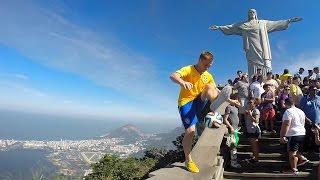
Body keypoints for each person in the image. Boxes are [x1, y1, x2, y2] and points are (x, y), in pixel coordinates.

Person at [170, 51, 236, 173]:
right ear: (200, 61)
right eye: (206, 65)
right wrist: (182, 82)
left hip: (201, 100)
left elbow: (216, 89)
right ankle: (188, 160)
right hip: (186, 103)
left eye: (210, 65)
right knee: (191, 131)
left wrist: (230, 100)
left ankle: (214, 104)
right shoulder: (189, 69)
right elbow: (173, 75)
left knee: (210, 87)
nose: (207, 67)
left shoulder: (208, 75)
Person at [209, 8, 302, 78]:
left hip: (263, 47)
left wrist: (288, 20)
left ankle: (267, 81)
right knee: (253, 65)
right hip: (251, 49)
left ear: (256, 14)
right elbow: (231, 27)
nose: (252, 13)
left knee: (266, 64)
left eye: (253, 12)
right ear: (248, 14)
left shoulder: (262, 23)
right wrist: (219, 27)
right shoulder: (243, 25)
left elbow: (276, 23)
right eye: (250, 12)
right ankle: (254, 81)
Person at [280, 98, 309, 174]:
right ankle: (295, 166)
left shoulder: (288, 111)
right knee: (296, 151)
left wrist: (282, 136)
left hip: (293, 134)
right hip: (302, 133)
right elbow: (303, 122)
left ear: (286, 104)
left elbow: (286, 123)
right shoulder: (300, 111)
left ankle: (294, 169)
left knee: (291, 152)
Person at [223, 93, 242, 168]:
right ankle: (233, 163)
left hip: (236, 129)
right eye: (236, 99)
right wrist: (230, 127)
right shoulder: (228, 107)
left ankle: (233, 161)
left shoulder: (236, 108)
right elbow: (225, 119)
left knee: (234, 145)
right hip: (232, 129)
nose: (237, 101)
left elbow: (240, 106)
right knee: (233, 146)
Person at [244, 98, 261, 164]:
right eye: (249, 102)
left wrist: (250, 115)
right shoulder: (250, 110)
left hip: (254, 130)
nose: (249, 103)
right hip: (250, 129)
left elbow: (257, 121)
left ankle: (256, 159)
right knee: (252, 145)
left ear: (254, 104)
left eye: (250, 102)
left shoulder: (256, 111)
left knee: (255, 145)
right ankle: (254, 157)